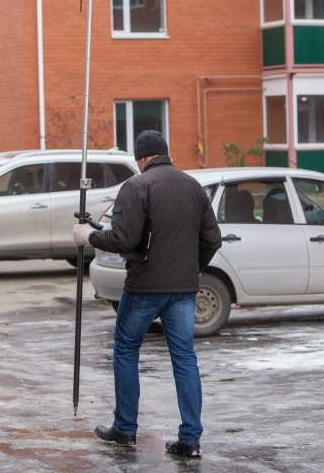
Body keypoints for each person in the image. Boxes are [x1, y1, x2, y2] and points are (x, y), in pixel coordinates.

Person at [73, 130, 221, 458]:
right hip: (183, 289)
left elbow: (125, 241)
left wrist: (88, 237)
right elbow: (212, 239)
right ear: (163, 153)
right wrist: (190, 270)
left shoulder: (137, 186)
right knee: (184, 358)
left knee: (126, 349)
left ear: (142, 157)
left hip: (145, 287)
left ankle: (125, 428)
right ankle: (190, 439)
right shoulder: (193, 186)